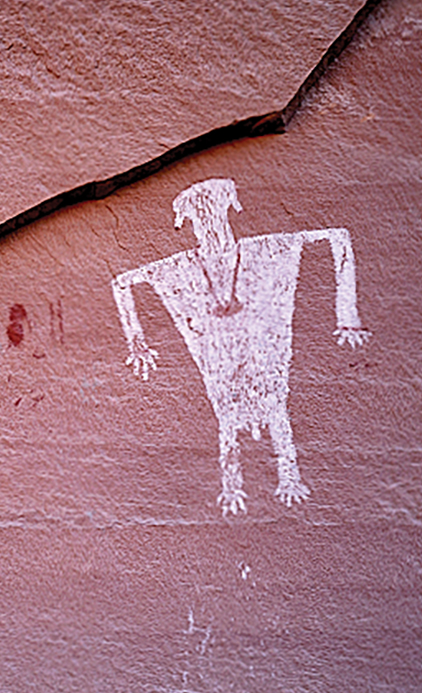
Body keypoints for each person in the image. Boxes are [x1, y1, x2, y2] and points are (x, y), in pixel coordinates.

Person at [112, 178, 370, 514]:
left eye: (212, 214)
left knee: (269, 411)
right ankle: (241, 489)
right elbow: (121, 282)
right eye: (201, 217)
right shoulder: (188, 266)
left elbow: (338, 236)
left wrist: (347, 316)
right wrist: (137, 344)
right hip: (222, 364)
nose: (209, 225)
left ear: (228, 210)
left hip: (259, 357)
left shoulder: (261, 251)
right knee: (237, 419)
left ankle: (284, 480)